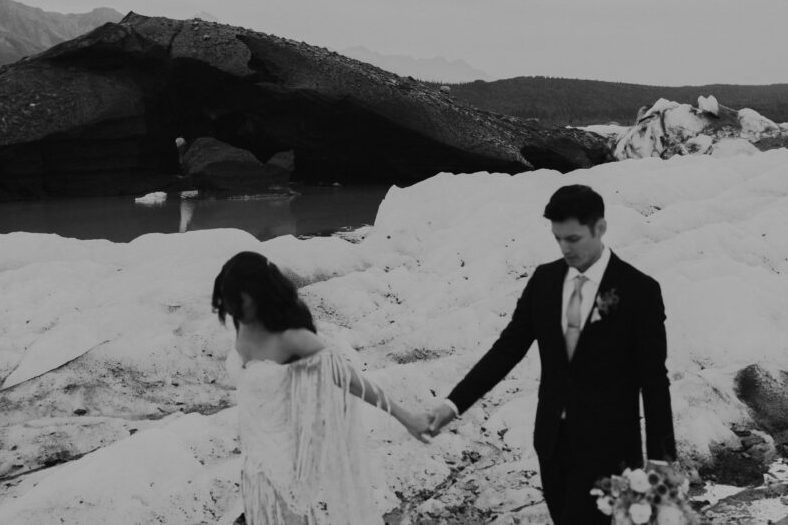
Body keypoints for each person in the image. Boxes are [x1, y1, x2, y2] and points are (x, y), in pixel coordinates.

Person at [427, 184, 676, 524]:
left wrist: (662, 458)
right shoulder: (544, 280)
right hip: (551, 443)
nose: (564, 248)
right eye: (558, 238)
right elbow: (507, 349)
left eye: (573, 239)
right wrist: (453, 405)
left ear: (600, 228)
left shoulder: (639, 290)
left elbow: (653, 378)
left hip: (611, 451)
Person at [212, 250, 430, 525]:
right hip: (254, 464)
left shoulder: (293, 340)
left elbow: (347, 378)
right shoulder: (242, 323)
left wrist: (405, 416)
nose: (231, 309)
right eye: (227, 302)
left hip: (286, 464)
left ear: (259, 294)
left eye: (238, 301)